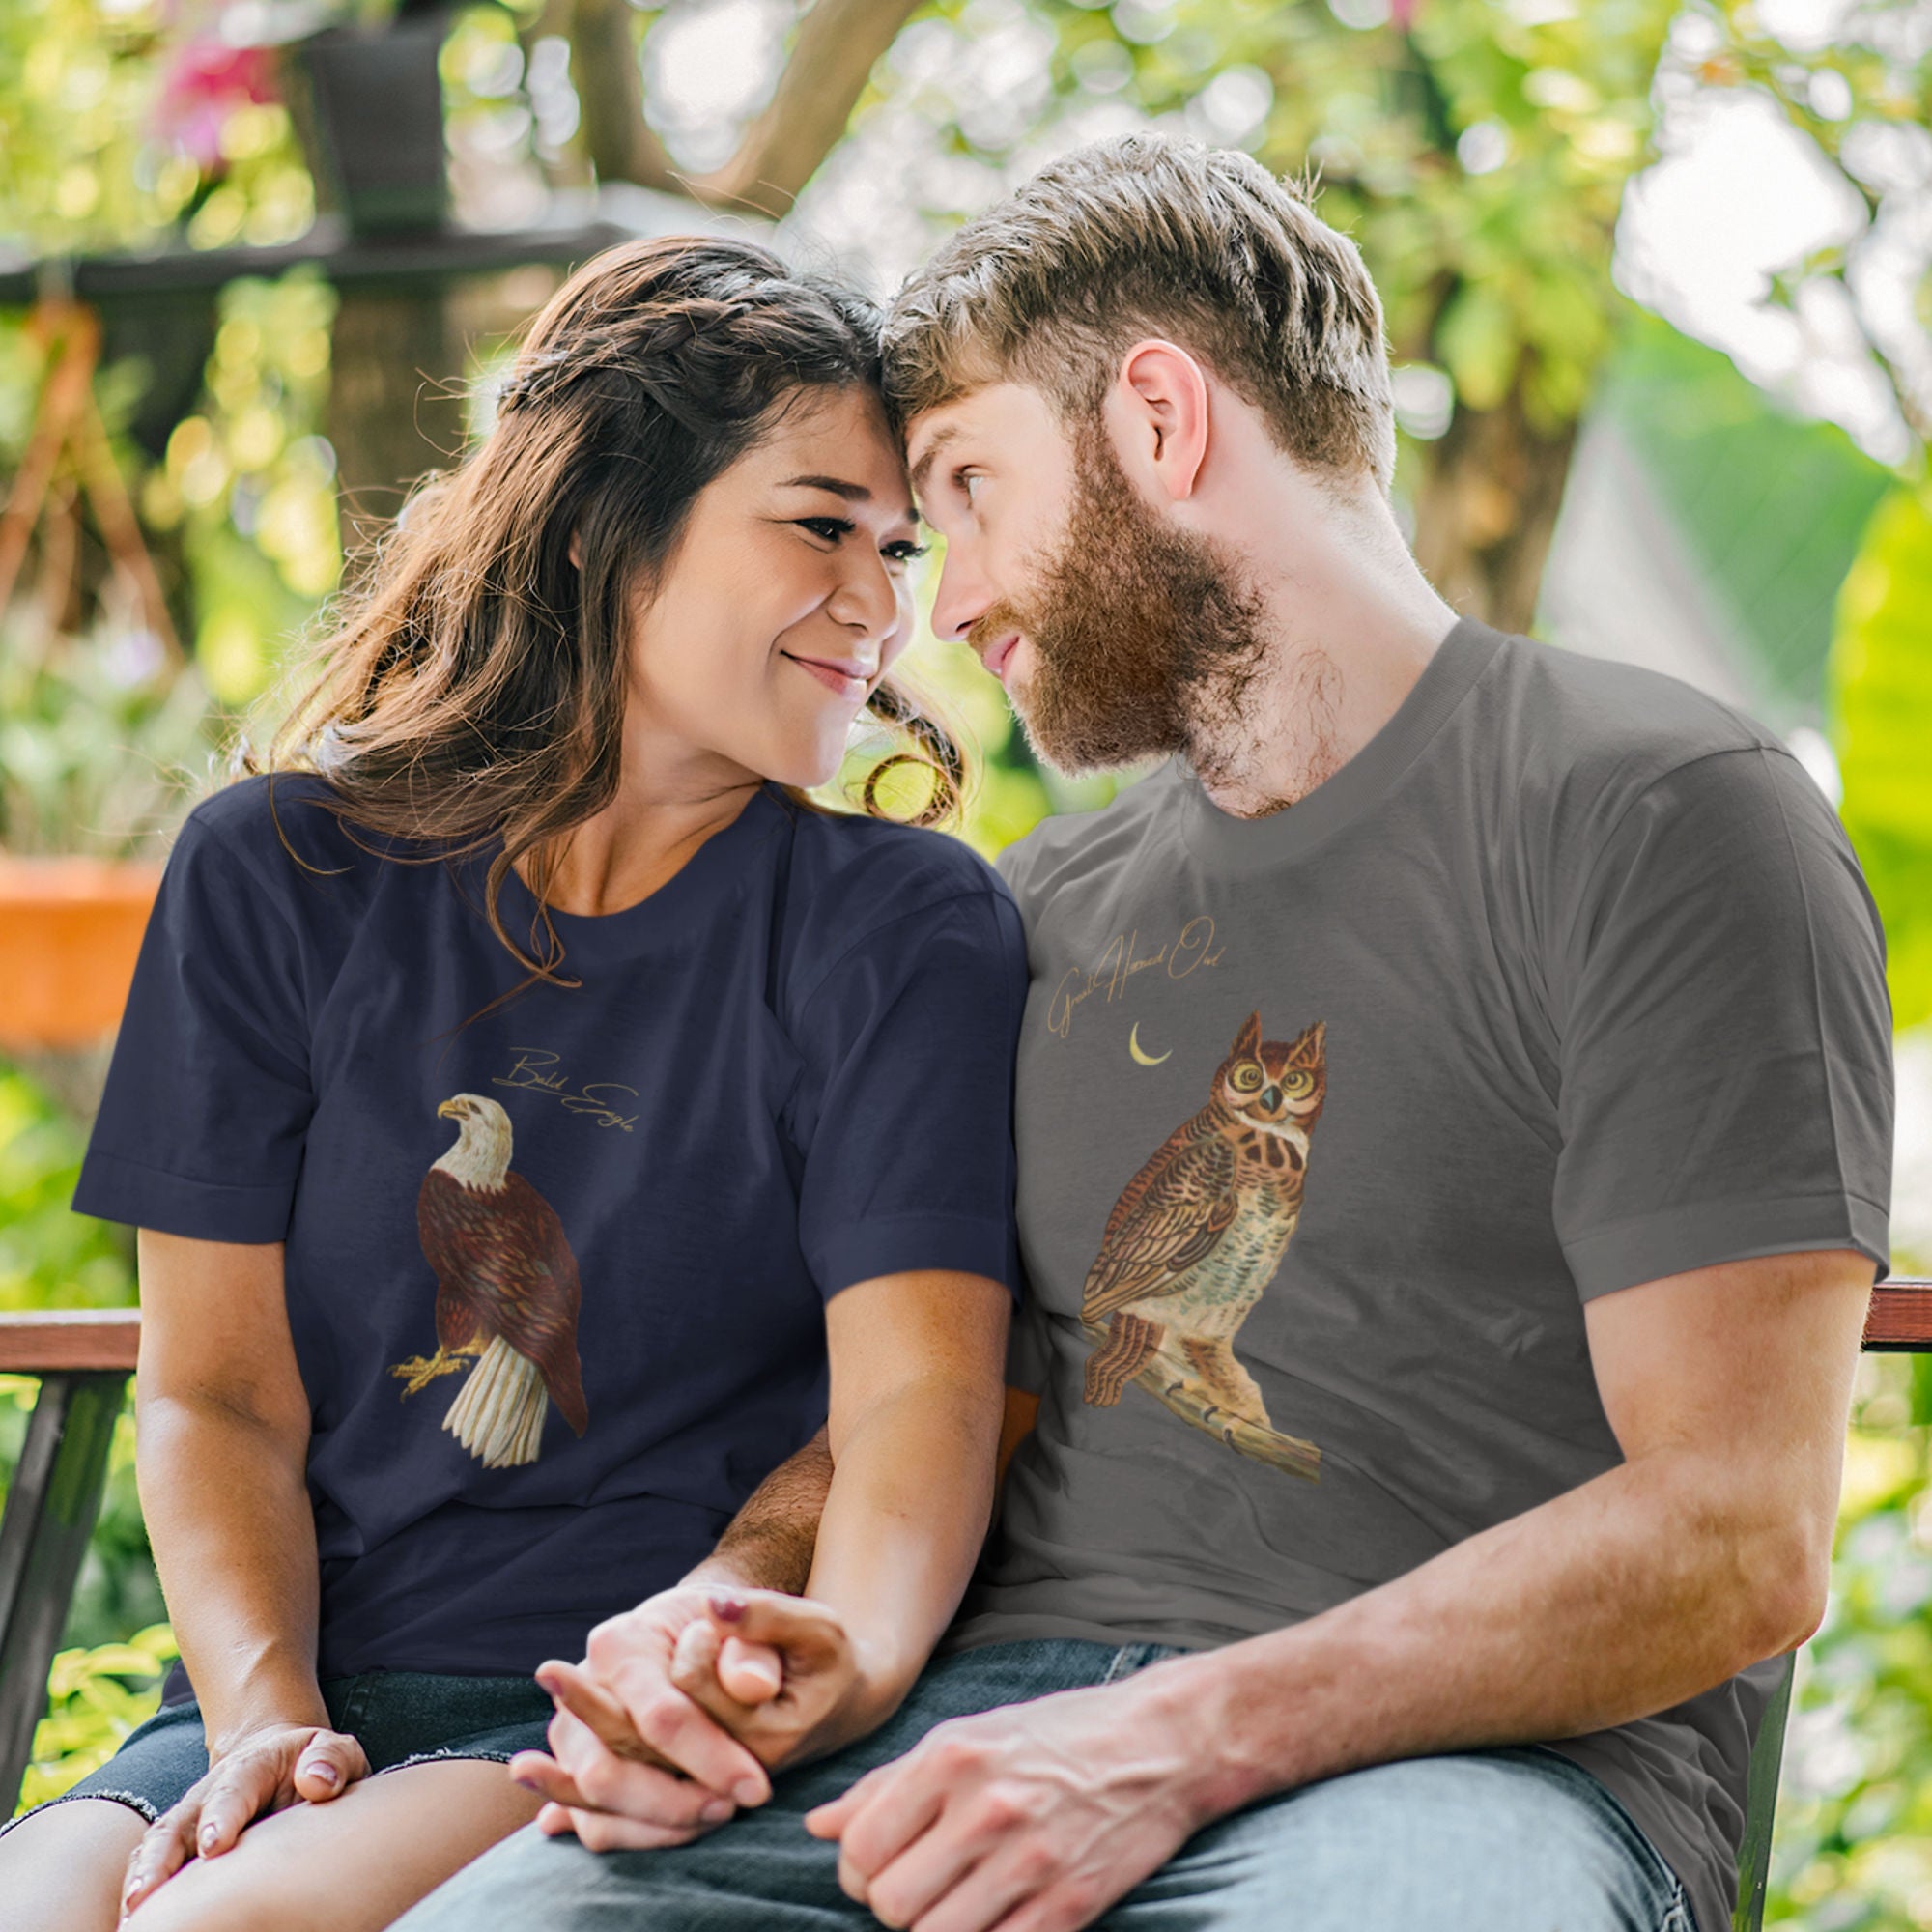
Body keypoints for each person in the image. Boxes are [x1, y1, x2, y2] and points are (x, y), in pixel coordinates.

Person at [400, 132, 1894, 1932]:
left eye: (967, 487)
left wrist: (1172, 1739)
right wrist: (727, 1611)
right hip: (952, 1750)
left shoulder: (1656, 815)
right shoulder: (1027, 913)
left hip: (1468, 1783)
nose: (941, 606)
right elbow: (944, 1399)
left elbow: (1737, 1534)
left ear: (1162, 422)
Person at [0, 235, 1029, 1932]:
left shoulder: (900, 924)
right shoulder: (272, 875)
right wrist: (269, 1720)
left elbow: (918, 1402)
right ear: (604, 523)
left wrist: (790, 1658)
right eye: (823, 525)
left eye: (902, 546)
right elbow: (214, 1397)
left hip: (600, 1701)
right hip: (279, 1695)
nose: (884, 605)